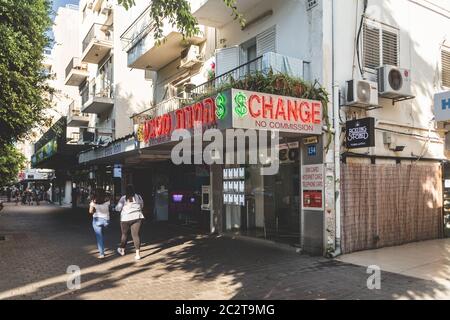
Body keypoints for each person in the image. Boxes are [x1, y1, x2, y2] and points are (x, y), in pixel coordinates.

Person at [115, 185, 145, 261]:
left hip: (125, 218)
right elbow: (142, 206)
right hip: (137, 217)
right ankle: (138, 255)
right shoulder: (138, 197)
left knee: (124, 234)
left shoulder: (123, 198)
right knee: (135, 235)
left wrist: (115, 207)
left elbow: (118, 208)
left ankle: (122, 250)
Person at [89, 188, 110, 259]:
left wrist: (95, 207)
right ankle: (102, 245)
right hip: (106, 221)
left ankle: (102, 254)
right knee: (103, 235)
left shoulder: (93, 202)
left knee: (99, 237)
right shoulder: (107, 201)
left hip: (97, 220)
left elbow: (90, 211)